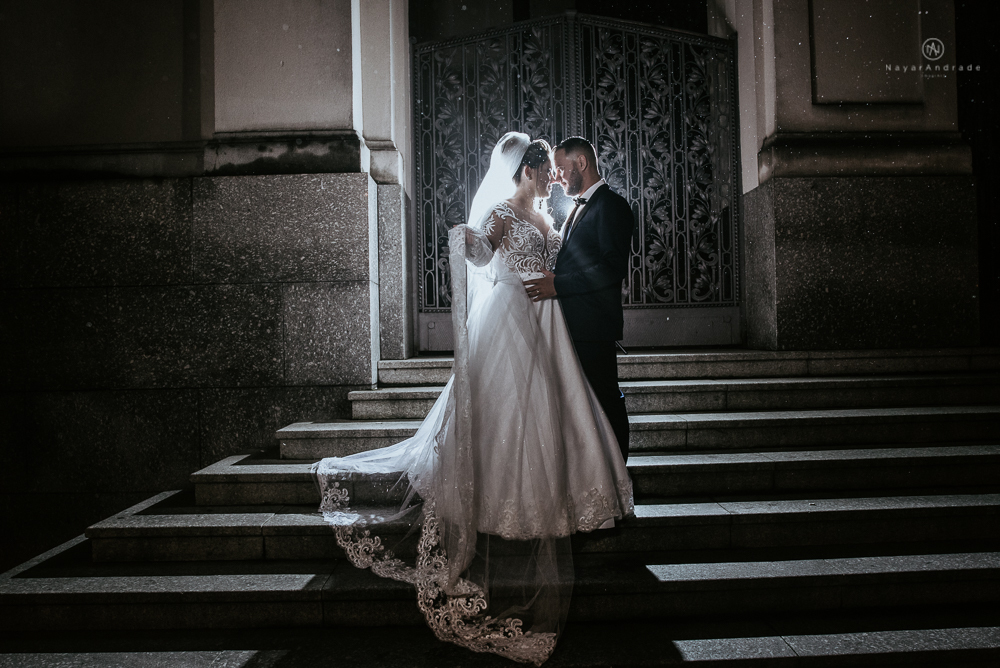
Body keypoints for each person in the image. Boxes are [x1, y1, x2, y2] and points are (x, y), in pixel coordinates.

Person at [312, 132, 632, 666]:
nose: (553, 176)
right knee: (512, 413)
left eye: (558, 169)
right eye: (546, 169)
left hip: (550, 322)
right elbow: (483, 253)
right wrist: (470, 238)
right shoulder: (506, 211)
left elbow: (568, 264)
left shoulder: (550, 217)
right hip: (511, 318)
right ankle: (503, 497)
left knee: (556, 411)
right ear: (528, 171)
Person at [523, 137, 634, 464]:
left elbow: (610, 270)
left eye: (560, 168)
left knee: (607, 400)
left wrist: (558, 284)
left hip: (594, 325)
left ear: (581, 164)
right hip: (573, 325)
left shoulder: (612, 206)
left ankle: (619, 476)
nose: (556, 175)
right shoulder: (579, 205)